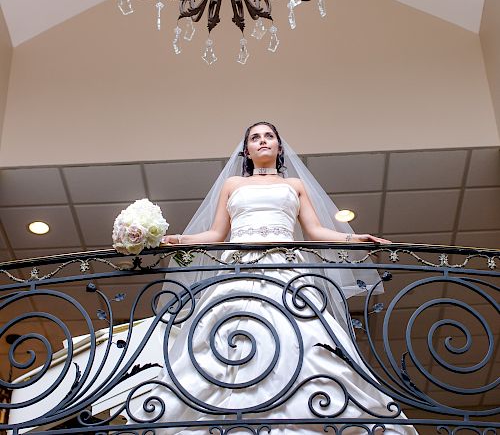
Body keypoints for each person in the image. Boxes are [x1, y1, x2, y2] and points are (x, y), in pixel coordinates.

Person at [127, 122, 417, 434]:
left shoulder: (294, 185)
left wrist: (352, 239)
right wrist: (179, 240)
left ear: (279, 147)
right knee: (229, 332)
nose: (262, 141)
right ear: (247, 150)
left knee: (300, 337)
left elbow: (316, 231)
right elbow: (216, 234)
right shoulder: (233, 185)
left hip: (285, 270)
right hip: (239, 269)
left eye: (269, 136)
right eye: (255, 137)